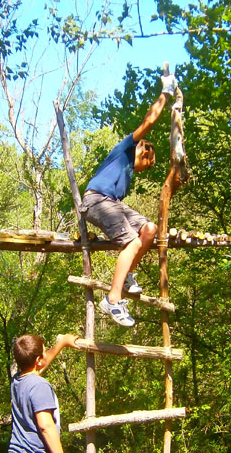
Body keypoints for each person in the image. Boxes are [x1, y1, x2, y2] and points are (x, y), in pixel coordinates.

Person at [80, 72, 178, 327]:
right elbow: (149, 121)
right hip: (96, 200)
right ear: (142, 151)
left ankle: (127, 277)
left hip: (111, 202)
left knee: (149, 230)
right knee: (133, 242)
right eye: (148, 161)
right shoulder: (123, 150)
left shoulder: (127, 176)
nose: (146, 167)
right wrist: (166, 93)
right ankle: (112, 300)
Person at [8, 333, 79, 453]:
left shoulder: (17, 380)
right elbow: (46, 426)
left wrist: (62, 343)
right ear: (38, 360)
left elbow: (37, 368)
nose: (46, 354)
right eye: (44, 352)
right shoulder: (39, 385)